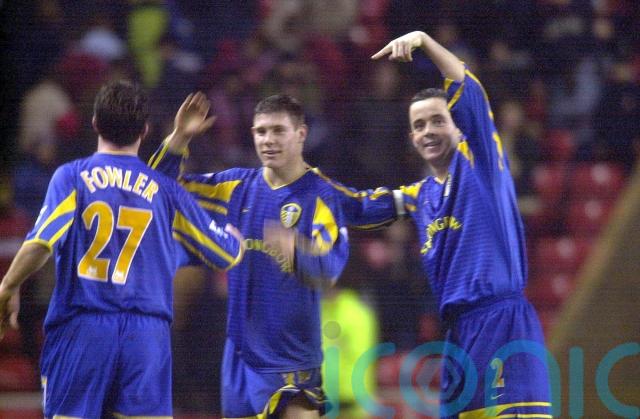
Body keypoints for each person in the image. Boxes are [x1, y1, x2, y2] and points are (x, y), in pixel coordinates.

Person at [0, 80, 244, 419]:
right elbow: (224, 254)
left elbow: (41, 242)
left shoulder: (71, 177)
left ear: (95, 123)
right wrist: (236, 239)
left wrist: (8, 286)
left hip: (82, 327)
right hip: (147, 336)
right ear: (144, 130)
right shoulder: (165, 191)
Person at [149, 94, 396, 418]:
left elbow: (328, 272)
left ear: (301, 134)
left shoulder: (321, 195)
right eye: (261, 131)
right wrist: (180, 137)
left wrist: (297, 251)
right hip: (239, 359)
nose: (268, 139)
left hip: (291, 359)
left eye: (278, 130)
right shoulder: (235, 186)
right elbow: (156, 189)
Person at [370, 31, 552, 417]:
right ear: (411, 137)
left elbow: (467, 87)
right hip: (457, 338)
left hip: (502, 326)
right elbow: (355, 206)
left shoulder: (482, 164)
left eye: (438, 120)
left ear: (459, 127)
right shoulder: (421, 196)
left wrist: (424, 40)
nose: (429, 131)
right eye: (420, 125)